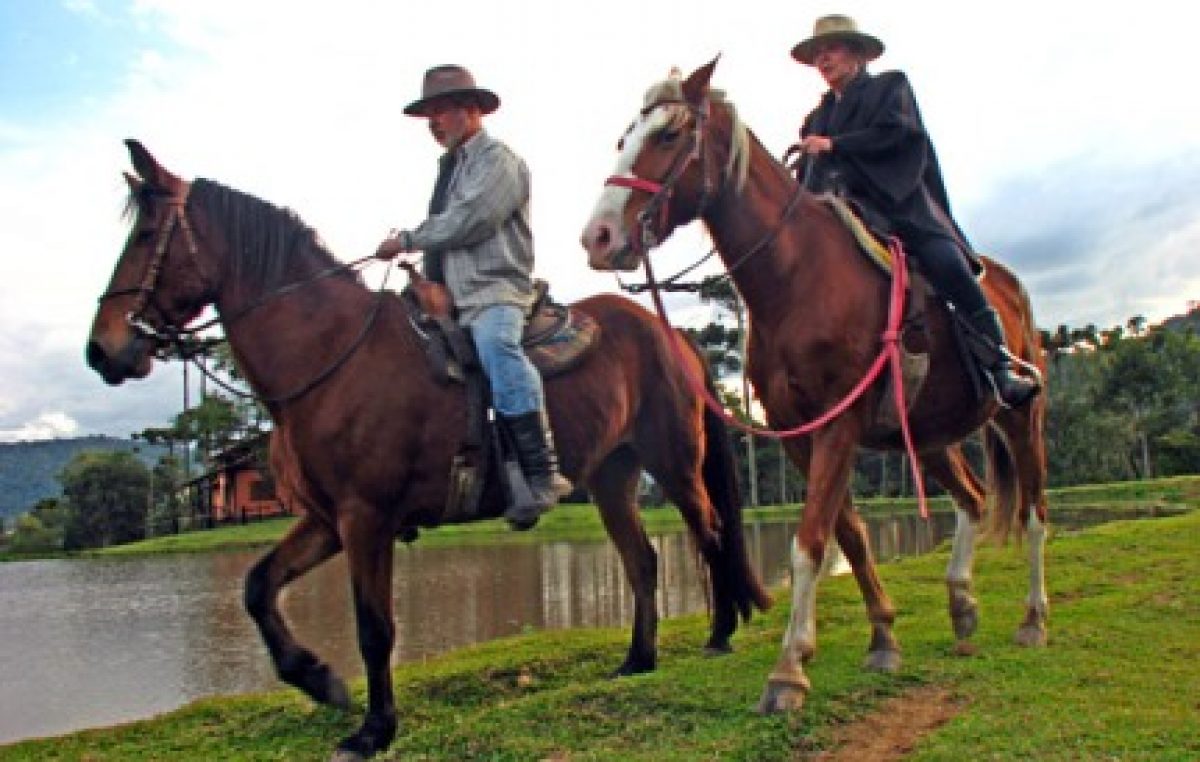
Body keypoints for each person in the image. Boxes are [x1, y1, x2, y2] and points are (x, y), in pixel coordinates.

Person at [790, 15, 1040, 408]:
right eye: (817, 54)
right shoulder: (818, 116)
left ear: (857, 54)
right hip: (845, 215)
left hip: (901, 209)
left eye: (831, 49)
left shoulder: (891, 87)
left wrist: (835, 146)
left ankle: (1000, 367)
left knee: (948, 264)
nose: (823, 59)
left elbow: (899, 135)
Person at [376, 64, 570, 528]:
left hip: (496, 292)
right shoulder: (453, 169)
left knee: (496, 347)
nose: (432, 123)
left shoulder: (498, 161)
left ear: (472, 110)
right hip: (453, 297)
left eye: (440, 111)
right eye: (428, 115)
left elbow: (471, 220)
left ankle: (543, 472)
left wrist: (407, 238)